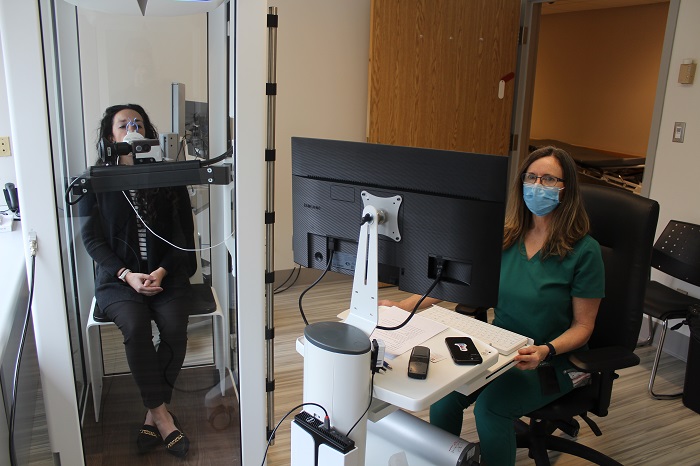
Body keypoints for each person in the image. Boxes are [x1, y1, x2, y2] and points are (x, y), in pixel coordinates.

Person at [379, 146, 604, 465]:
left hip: (550, 362)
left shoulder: (584, 251)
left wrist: (545, 351)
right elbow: (457, 284)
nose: (538, 185)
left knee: (490, 410)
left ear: (566, 190)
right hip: (499, 348)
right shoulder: (507, 238)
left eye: (549, 179)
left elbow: (584, 326)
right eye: (531, 177)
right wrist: (404, 306)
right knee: (443, 397)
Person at [79, 104, 196, 458]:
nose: (131, 128)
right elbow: (91, 240)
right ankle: (163, 417)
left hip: (165, 273)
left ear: (147, 135)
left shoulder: (167, 178)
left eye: (138, 124)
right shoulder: (96, 180)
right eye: (122, 125)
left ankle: (152, 411)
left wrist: (160, 271)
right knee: (135, 325)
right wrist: (128, 275)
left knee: (175, 327)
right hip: (119, 279)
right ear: (109, 138)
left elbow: (184, 238)